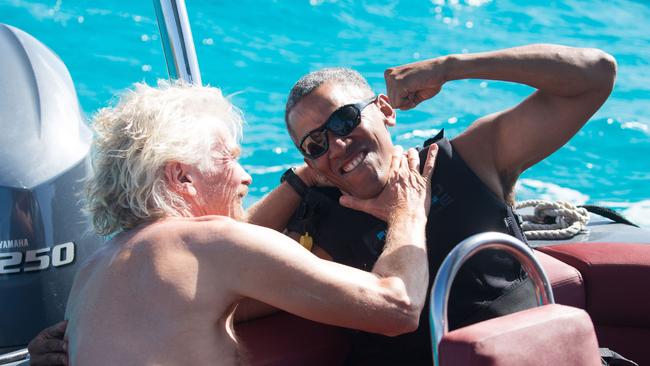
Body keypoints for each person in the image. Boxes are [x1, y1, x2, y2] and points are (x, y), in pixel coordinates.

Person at [29, 81, 438, 366]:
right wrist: (409, 207)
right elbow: (397, 307)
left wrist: (308, 175)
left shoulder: (92, 273)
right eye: (228, 158)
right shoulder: (210, 243)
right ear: (182, 178)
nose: (246, 177)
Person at [279, 44, 616, 364]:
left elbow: (596, 75)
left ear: (385, 110)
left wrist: (450, 68)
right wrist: (300, 179)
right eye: (315, 144)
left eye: (344, 119)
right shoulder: (320, 232)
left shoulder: (468, 161)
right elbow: (232, 256)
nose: (337, 145)